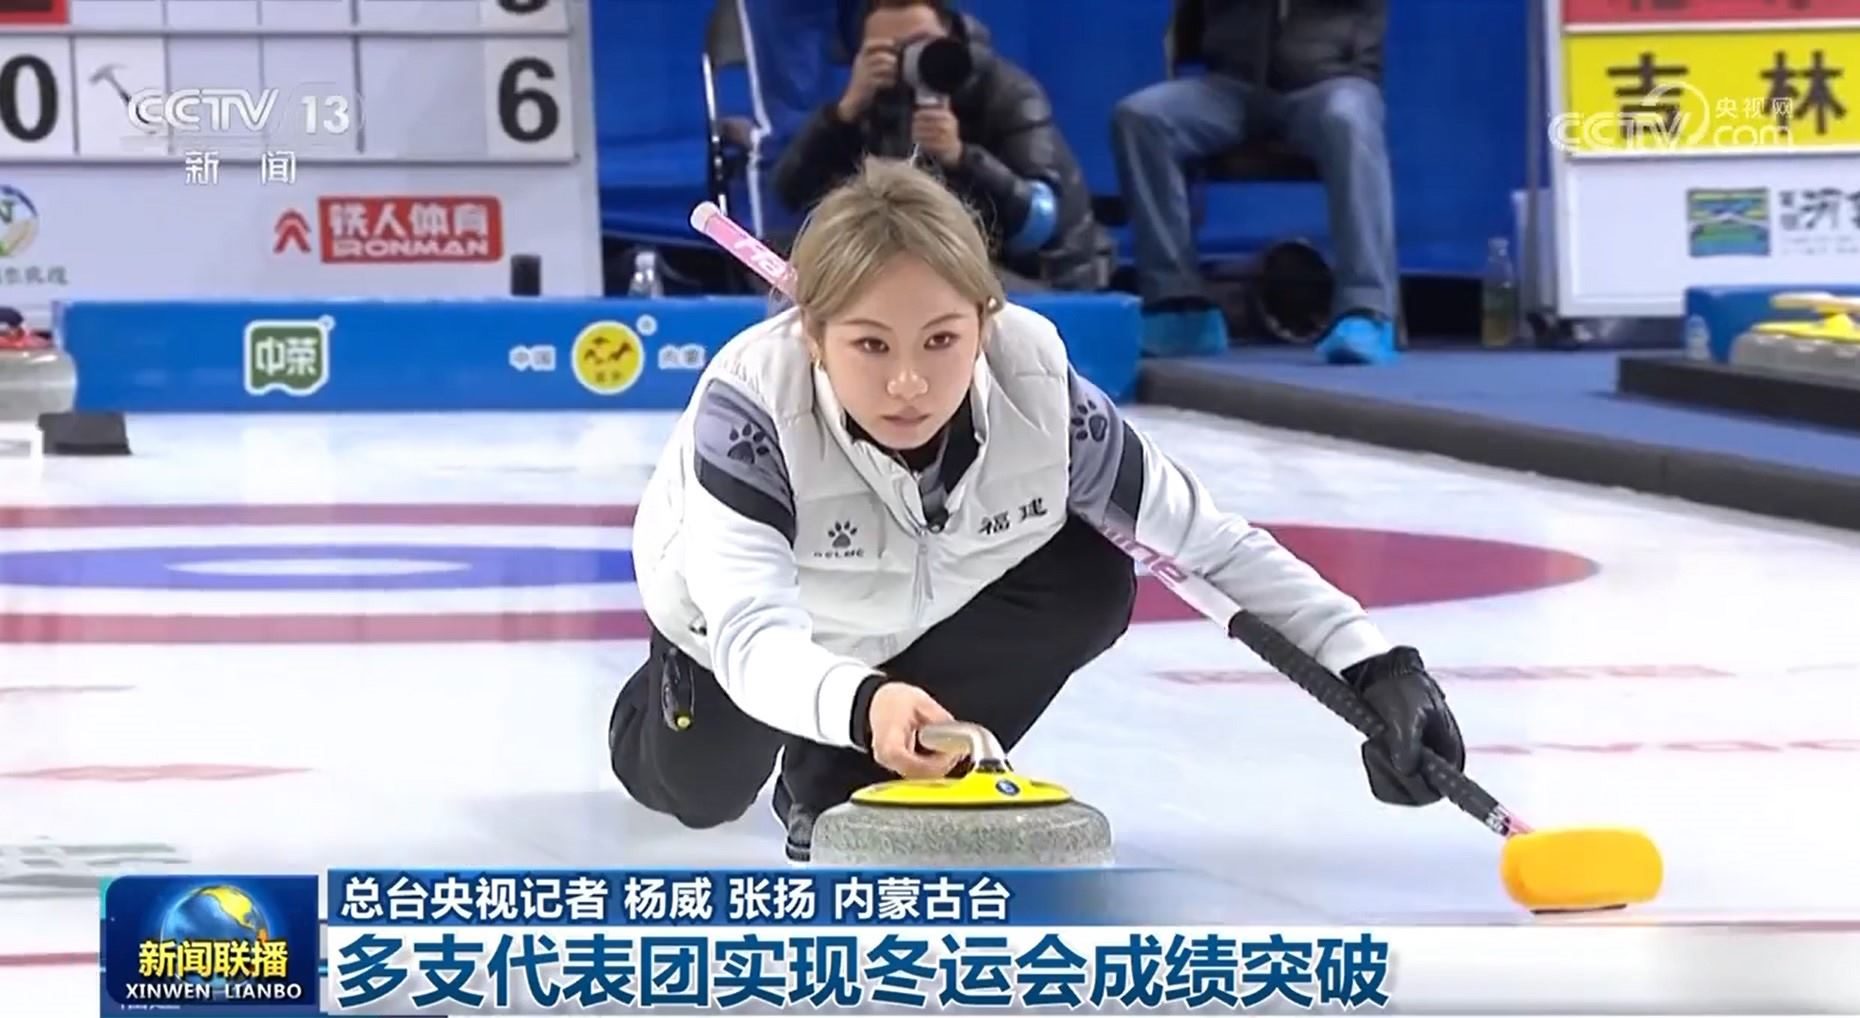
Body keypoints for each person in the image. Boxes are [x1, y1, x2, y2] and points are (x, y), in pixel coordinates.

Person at [608, 158, 1464, 862]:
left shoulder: (1042, 391)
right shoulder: (750, 411)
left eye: (941, 340)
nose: (908, 383)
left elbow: (1209, 546)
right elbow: (753, 634)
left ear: (985, 323)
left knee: (1090, 573)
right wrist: (863, 702)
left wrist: (1374, 664)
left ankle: (841, 779)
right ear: (812, 336)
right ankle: (668, 705)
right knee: (700, 792)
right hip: (731, 630)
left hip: (921, 607)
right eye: (870, 343)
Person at [1110, 0, 1400, 363]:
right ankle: (1180, 305)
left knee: (1348, 120)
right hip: (1232, 84)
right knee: (1141, 119)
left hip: (1330, 80)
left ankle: (1367, 309)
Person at [771, 0, 1111, 292]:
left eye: (922, 45)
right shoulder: (870, 100)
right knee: (781, 265)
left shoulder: (1006, 92)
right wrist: (842, 115)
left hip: (1030, 271)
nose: (911, 59)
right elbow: (791, 195)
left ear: (951, 37)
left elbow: (1037, 225)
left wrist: (962, 159)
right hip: (921, 256)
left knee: (919, 282)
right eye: (891, 51)